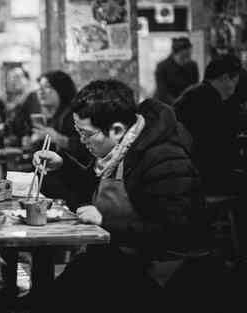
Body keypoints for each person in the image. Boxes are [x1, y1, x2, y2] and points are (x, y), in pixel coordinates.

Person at [33, 79, 207, 312]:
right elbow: (91, 190)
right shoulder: (118, 152)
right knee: (57, 291)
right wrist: (62, 165)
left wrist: (105, 221)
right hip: (119, 257)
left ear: (116, 130)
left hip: (160, 270)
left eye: (86, 134)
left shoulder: (165, 158)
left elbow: (175, 231)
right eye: (78, 132)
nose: (82, 142)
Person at [174, 54, 242, 195]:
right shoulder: (208, 102)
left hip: (185, 173)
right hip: (199, 178)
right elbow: (218, 150)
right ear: (224, 78)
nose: (235, 88)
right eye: (236, 81)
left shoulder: (197, 94)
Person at [30, 71, 91, 207]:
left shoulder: (73, 115)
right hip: (59, 182)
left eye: (47, 87)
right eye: (39, 87)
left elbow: (85, 150)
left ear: (61, 89)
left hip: (73, 190)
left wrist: (58, 138)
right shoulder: (55, 115)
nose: (40, 91)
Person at [154, 37, 199, 105]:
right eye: (183, 56)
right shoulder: (162, 67)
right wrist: (177, 103)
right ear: (175, 54)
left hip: (186, 104)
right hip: (166, 105)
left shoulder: (192, 65)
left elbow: (195, 87)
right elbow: (162, 92)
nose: (187, 60)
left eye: (189, 56)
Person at [3, 66, 41, 147]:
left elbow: (36, 128)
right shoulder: (12, 103)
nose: (13, 81)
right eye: (10, 78)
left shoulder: (33, 97)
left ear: (27, 80)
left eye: (17, 77)